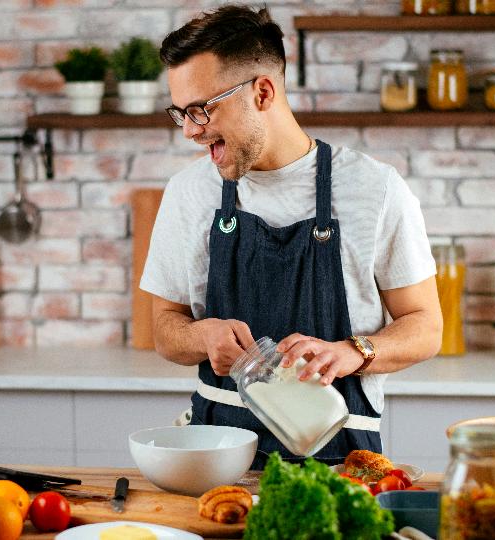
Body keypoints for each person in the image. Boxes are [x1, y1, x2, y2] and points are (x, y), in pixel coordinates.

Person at [140, 4, 443, 469]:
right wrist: (203, 336)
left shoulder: (375, 190)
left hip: (342, 465)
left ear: (262, 92)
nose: (190, 131)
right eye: (180, 113)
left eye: (201, 110)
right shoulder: (188, 193)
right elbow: (164, 328)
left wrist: (353, 352)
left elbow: (425, 326)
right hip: (217, 460)